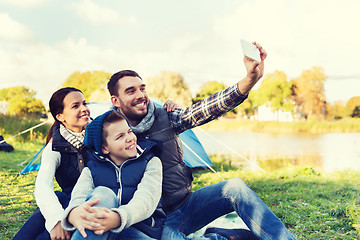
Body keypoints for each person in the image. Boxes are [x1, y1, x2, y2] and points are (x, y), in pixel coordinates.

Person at [77, 42, 297, 239]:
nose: (140, 95)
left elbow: (208, 108)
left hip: (185, 204)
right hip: (153, 219)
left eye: (142, 88)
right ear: (115, 100)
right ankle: (219, 236)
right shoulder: (106, 132)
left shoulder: (168, 116)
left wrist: (249, 81)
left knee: (235, 187)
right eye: (131, 91)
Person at [61, 110, 165, 240]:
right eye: (120, 136)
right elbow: (79, 196)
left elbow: (146, 200)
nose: (130, 138)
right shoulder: (91, 170)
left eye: (129, 131)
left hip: (141, 229)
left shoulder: (151, 162)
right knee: (103, 194)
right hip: (101, 230)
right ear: (105, 148)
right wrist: (73, 213)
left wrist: (117, 218)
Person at [13, 87, 91, 240]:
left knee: (59, 198)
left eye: (84, 103)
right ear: (60, 116)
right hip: (71, 203)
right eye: (76, 106)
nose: (84, 109)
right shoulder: (54, 147)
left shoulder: (99, 134)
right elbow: (42, 185)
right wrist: (56, 220)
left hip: (92, 200)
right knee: (58, 198)